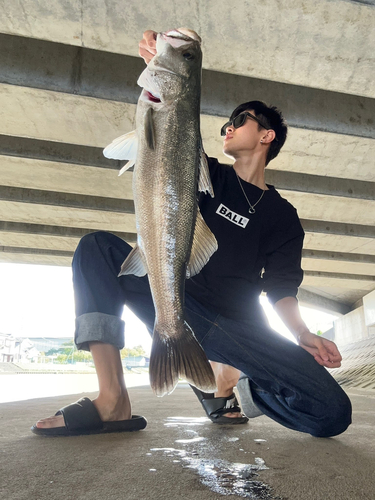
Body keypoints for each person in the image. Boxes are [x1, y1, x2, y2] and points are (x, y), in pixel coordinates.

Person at [32, 30, 352, 437]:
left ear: (267, 136)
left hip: (240, 327)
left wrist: (303, 333)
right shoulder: (203, 172)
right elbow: (170, 131)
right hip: (177, 303)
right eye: (224, 124)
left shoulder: (283, 216)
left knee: (331, 413)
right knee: (96, 248)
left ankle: (243, 385)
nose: (227, 128)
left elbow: (281, 289)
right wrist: (157, 64)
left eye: (240, 120)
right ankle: (112, 399)